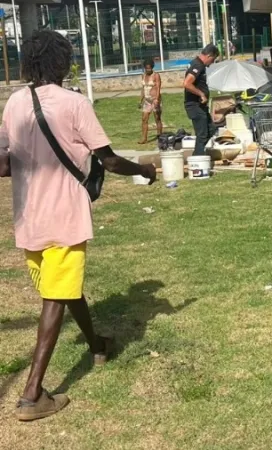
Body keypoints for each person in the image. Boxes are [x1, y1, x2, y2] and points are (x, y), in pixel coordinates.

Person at [0, 30, 156, 421]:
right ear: (62, 62)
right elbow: (110, 160)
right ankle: (32, 395)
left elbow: (4, 164)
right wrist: (146, 170)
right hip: (65, 217)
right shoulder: (75, 103)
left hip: (28, 218)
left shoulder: (15, 103)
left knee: (64, 288)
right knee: (54, 296)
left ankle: (97, 344)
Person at [183, 43, 220, 156]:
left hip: (201, 106)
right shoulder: (197, 65)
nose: (212, 62)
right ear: (209, 56)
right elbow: (187, 83)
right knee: (202, 134)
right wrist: (201, 94)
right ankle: (197, 158)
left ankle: (198, 153)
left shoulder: (199, 65)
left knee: (211, 129)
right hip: (194, 105)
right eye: (213, 59)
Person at [138, 57, 162, 144]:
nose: (148, 69)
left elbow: (158, 88)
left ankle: (160, 136)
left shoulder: (156, 75)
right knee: (144, 119)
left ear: (152, 67)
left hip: (155, 100)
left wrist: (156, 99)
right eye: (147, 68)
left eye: (150, 68)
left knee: (157, 118)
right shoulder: (143, 75)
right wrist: (140, 100)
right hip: (147, 101)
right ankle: (144, 138)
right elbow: (142, 88)